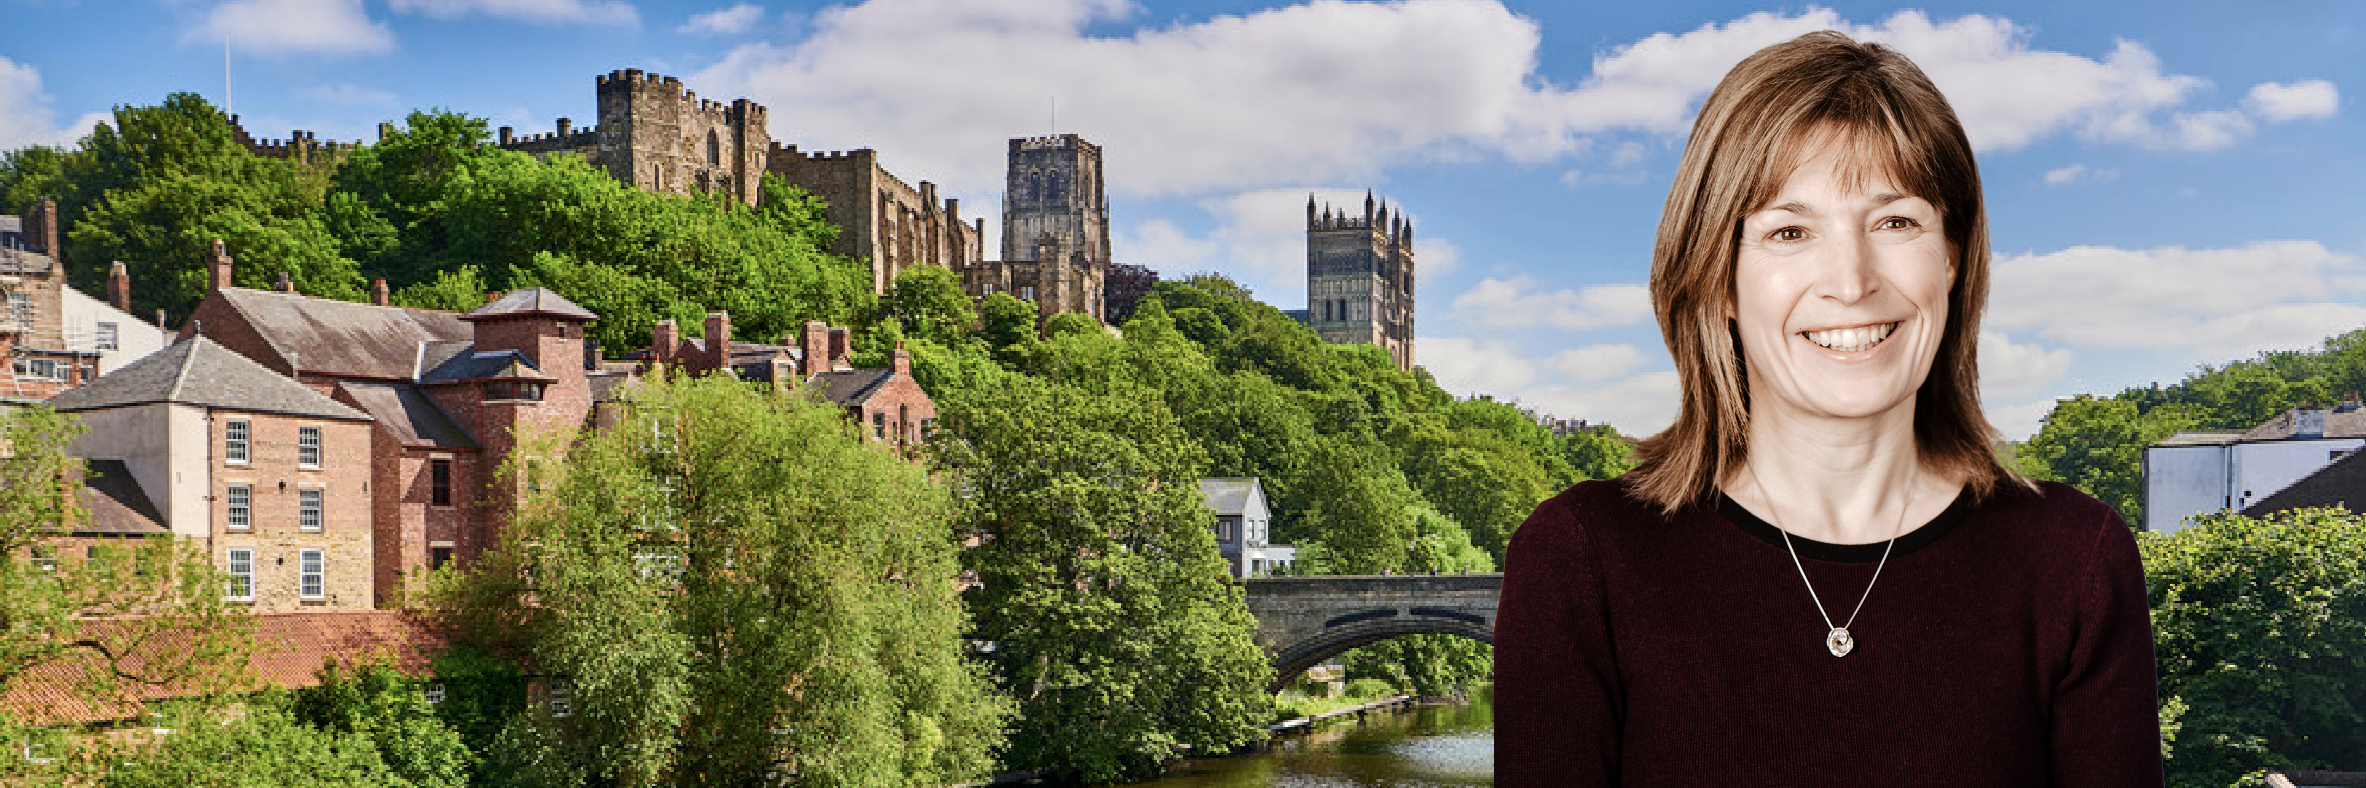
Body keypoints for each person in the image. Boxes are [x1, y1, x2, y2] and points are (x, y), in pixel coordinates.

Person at [1493, 31, 2163, 786]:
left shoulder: (2076, 562)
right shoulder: (1582, 560)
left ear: (1952, 255)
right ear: (1718, 278)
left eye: (1895, 222)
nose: (1850, 280)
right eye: (1789, 231)